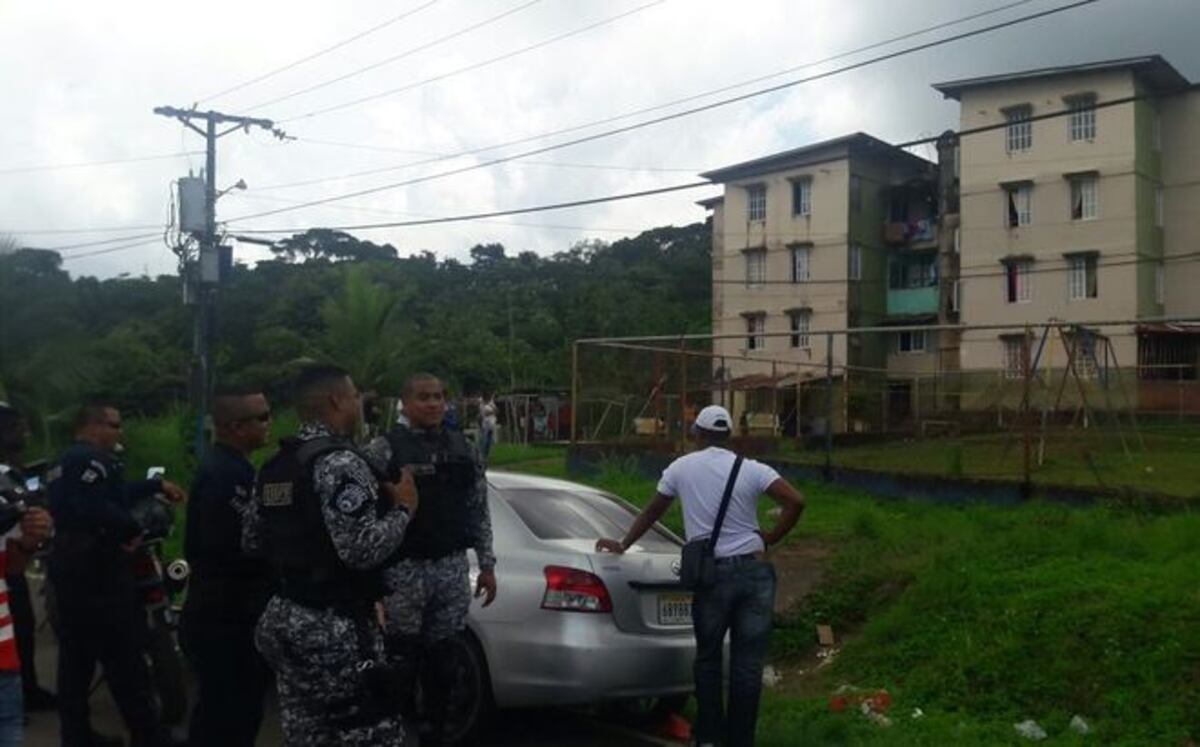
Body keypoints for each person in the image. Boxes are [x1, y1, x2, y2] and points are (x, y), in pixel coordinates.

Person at [596, 405, 805, 747]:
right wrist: (770, 537)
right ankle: (741, 741)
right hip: (755, 574)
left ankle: (708, 738)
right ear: (728, 435)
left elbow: (653, 510)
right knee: (748, 666)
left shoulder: (681, 467)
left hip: (713, 575)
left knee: (708, 659)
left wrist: (623, 543)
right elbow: (796, 501)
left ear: (698, 434)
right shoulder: (752, 468)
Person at [243, 364, 417, 746]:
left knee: (308, 730)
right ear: (337, 400)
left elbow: (252, 541)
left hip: (284, 615)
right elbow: (360, 550)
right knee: (368, 726)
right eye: (355, 396)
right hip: (333, 624)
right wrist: (404, 509)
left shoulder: (276, 465)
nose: (359, 404)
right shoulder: (340, 463)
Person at [47, 401, 187, 747]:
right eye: (114, 425)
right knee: (124, 655)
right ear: (93, 426)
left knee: (77, 660)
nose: (119, 432)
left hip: (71, 567)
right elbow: (96, 507)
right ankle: (148, 736)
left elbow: (113, 494)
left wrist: (154, 485)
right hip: (97, 570)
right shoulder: (89, 459)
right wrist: (132, 529)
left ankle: (77, 735)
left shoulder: (66, 462)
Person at [373, 373, 497, 746]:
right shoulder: (383, 449)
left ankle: (436, 733)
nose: (433, 404)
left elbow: (478, 508)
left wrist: (487, 565)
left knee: (444, 662)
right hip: (403, 569)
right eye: (424, 397)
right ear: (406, 403)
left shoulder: (465, 448)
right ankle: (395, 734)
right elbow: (367, 513)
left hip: (450, 567)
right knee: (401, 661)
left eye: (439, 397)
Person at [181, 388, 274, 747]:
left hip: (224, 609)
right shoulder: (226, 476)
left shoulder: (231, 468)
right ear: (237, 426)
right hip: (226, 614)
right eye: (262, 417)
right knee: (231, 714)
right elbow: (234, 549)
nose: (269, 423)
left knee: (221, 710)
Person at [0, 403, 54, 746]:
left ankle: (29, 689)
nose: (25, 433)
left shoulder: (7, 480)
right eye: (17, 427)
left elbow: (12, 565)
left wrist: (29, 539)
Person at [477, 392, 498, 464]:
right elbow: (485, 413)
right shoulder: (482, 404)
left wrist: (493, 411)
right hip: (485, 425)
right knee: (484, 441)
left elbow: (496, 411)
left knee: (489, 442)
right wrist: (492, 411)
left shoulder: (491, 403)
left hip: (491, 425)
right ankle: (481, 456)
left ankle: (485, 456)